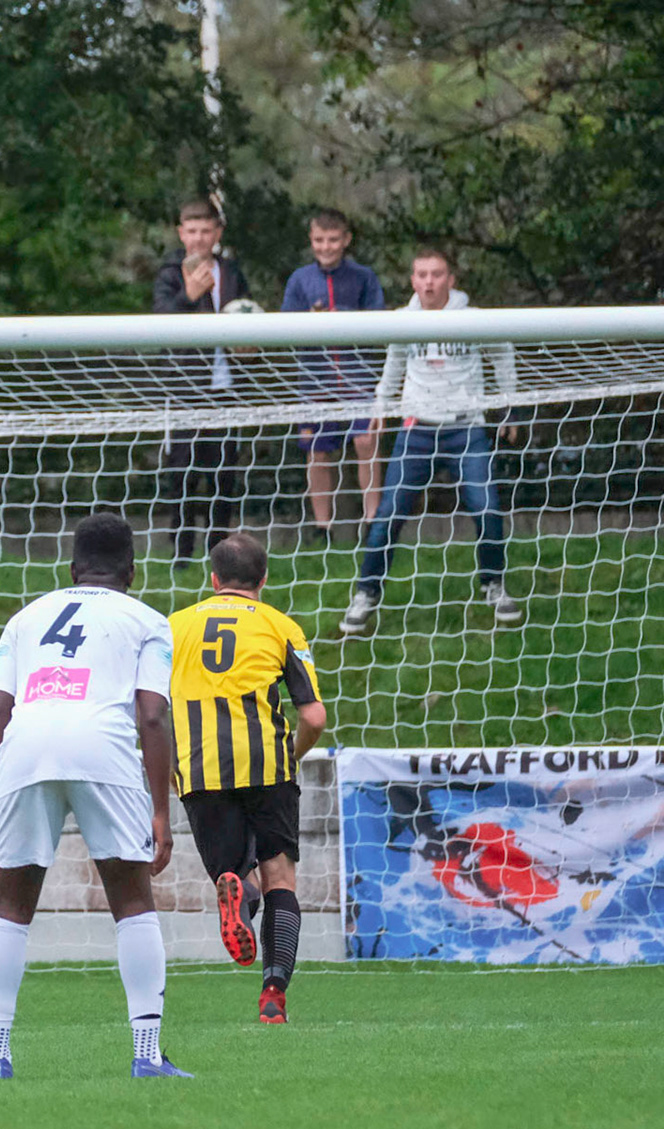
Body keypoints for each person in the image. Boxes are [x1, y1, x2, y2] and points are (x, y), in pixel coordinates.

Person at [0, 513, 187, 1080]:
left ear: (71, 568)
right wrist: (161, 810)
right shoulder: (148, 620)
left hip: (25, 748)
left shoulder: (26, 617)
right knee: (132, 901)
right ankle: (146, 1054)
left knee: (10, 906)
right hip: (102, 748)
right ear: (132, 571)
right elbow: (153, 716)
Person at [167, 533, 326, 1023]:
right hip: (266, 765)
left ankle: (240, 892)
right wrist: (290, 757)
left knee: (234, 874)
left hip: (199, 766)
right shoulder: (281, 627)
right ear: (263, 579)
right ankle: (274, 991)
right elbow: (315, 717)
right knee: (282, 877)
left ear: (213, 580)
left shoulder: (170, 628)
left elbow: (147, 709)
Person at [341, 250, 523, 635]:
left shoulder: (471, 321)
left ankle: (493, 584)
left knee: (487, 508)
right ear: (412, 280)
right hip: (416, 430)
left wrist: (509, 406)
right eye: (421, 274)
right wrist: (379, 407)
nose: (428, 282)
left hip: (465, 429)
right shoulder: (404, 322)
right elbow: (392, 370)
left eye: (436, 274)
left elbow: (503, 356)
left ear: (451, 279)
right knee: (388, 514)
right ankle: (365, 593)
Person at [153, 198, 250, 563]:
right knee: (182, 474)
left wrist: (249, 344)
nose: (198, 238)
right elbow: (160, 318)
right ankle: (181, 554)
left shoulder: (233, 271)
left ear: (217, 233)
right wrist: (188, 296)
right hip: (183, 389)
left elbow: (247, 312)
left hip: (226, 388)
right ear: (181, 233)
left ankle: (219, 552)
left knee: (224, 474)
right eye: (191, 231)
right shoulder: (169, 273)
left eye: (205, 230)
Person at [282, 209, 387, 543]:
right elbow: (285, 325)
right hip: (315, 380)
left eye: (332, 240)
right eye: (318, 240)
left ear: (346, 240)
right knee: (317, 450)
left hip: (358, 376)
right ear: (310, 241)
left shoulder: (364, 277)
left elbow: (378, 321)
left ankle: (373, 520)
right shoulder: (300, 279)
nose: (325, 247)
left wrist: (341, 317)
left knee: (366, 441)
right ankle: (322, 526)